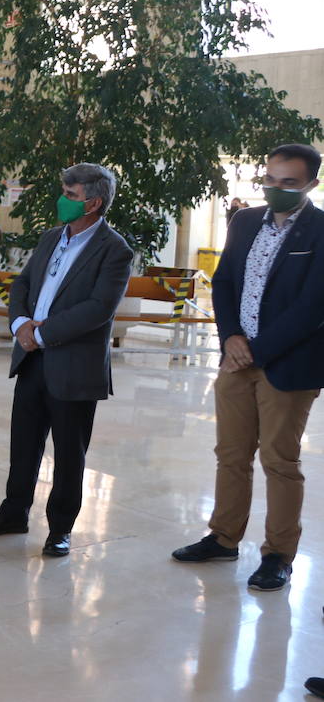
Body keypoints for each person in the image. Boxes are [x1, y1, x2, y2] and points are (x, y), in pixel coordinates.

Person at [172, 144, 324, 592]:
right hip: (236, 360)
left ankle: (278, 555)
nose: (276, 189)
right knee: (231, 455)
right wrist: (231, 338)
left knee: (280, 461)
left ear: (311, 184)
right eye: (271, 180)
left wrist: (256, 349)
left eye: (289, 183)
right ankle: (222, 537)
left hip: (288, 366)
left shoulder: (321, 230)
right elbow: (223, 282)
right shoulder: (244, 220)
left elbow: (313, 307)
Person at [0, 164, 133, 556]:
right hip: (32, 359)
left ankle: (60, 527)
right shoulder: (50, 238)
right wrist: (22, 324)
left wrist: (41, 333)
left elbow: (99, 309)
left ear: (93, 203)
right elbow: (24, 283)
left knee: (68, 453)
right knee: (23, 443)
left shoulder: (114, 250)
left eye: (71, 195)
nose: (63, 199)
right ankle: (13, 512)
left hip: (73, 365)